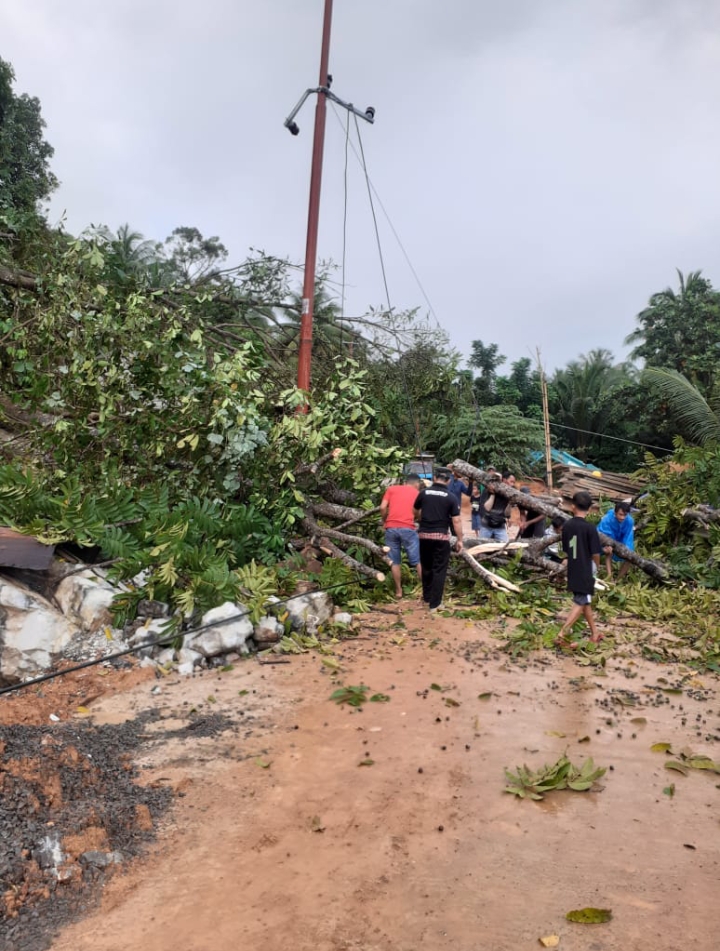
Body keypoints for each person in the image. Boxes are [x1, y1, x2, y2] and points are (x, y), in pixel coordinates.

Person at [556, 490, 602, 648]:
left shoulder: (567, 526)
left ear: (573, 507)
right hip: (586, 567)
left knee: (584, 600)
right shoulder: (590, 528)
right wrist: (597, 566)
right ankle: (563, 632)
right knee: (581, 600)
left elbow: (568, 550)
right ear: (589, 509)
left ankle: (595, 633)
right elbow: (595, 553)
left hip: (573, 566)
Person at [413, 467, 463, 611]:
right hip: (440, 537)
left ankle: (427, 597)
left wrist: (420, 518)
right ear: (448, 481)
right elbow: (457, 521)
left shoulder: (424, 493)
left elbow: (415, 510)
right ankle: (435, 604)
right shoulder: (451, 497)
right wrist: (459, 539)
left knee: (427, 567)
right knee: (439, 569)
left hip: (423, 536)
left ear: (434, 478)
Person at [380, 473, 422, 599]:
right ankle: (427, 590)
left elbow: (382, 507)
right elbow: (419, 512)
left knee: (394, 561)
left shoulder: (391, 489)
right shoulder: (417, 493)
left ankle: (398, 591)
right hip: (408, 528)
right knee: (418, 561)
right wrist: (416, 518)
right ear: (417, 484)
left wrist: (384, 521)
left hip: (391, 528)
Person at [597, 500, 634, 579]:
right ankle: (609, 578)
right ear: (615, 512)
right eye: (620, 514)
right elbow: (605, 536)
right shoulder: (607, 519)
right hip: (603, 542)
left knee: (630, 557)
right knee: (608, 551)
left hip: (619, 542)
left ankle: (618, 580)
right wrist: (609, 545)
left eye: (625, 515)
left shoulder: (630, 521)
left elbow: (628, 537)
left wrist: (626, 549)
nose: (622, 517)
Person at [477, 470, 516, 542]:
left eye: (514, 482)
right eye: (511, 481)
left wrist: (510, 503)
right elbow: (487, 508)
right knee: (481, 546)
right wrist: (493, 494)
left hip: (500, 526)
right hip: (486, 525)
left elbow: (507, 514)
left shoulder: (510, 494)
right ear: (504, 480)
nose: (512, 484)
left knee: (505, 547)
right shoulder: (489, 489)